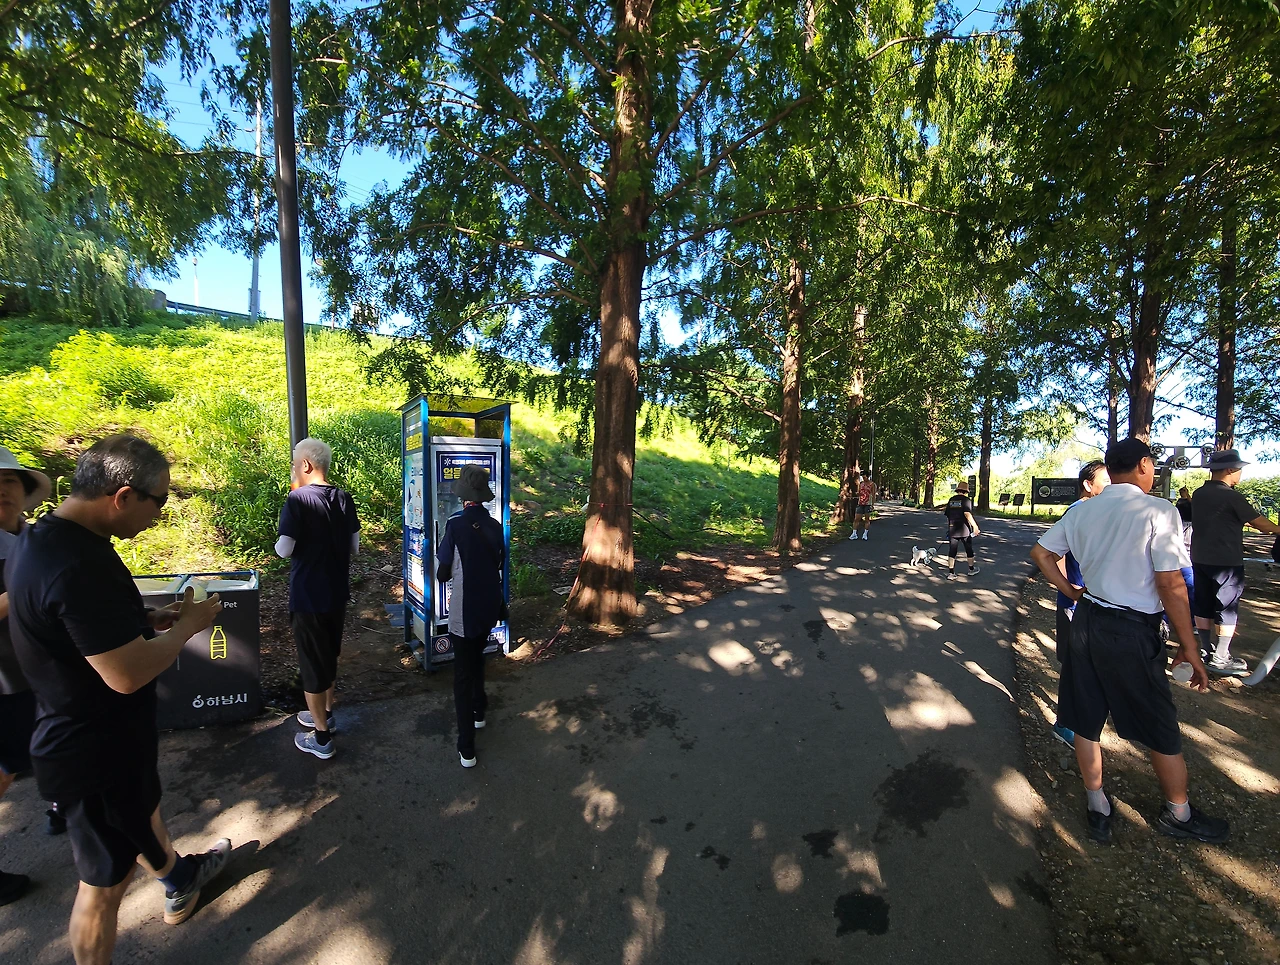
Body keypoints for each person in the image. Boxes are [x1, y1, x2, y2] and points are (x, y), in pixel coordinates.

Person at [5, 435, 232, 965]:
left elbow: (73, 625)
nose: (160, 515)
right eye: (160, 501)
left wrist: (146, 620)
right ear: (124, 496)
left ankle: (180, 877)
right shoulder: (76, 564)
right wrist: (188, 627)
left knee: (140, 821)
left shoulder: (45, 540)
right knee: (103, 887)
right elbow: (125, 675)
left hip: (102, 745)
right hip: (91, 752)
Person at [1030, 438, 1226, 846]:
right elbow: (1170, 583)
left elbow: (1041, 553)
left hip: (1087, 620)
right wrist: (1189, 644)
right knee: (1157, 721)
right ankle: (1178, 813)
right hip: (1132, 630)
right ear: (1143, 465)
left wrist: (1072, 591)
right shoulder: (1159, 510)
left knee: (1085, 716)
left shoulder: (1083, 510)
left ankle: (1097, 806)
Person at [275, 438, 360, 760]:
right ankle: (325, 714)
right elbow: (354, 546)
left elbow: (284, 549)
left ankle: (322, 739)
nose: (293, 468)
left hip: (308, 596)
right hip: (337, 593)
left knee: (312, 663)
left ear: (306, 465)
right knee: (329, 656)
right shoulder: (344, 497)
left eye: (294, 463)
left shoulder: (297, 499)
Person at [0, 445, 53, 905]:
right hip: (4, 679)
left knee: (50, 743)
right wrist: (25, 589)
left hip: (38, 667)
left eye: (9, 481)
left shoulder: (28, 536)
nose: (2, 491)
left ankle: (63, 805)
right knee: (4, 767)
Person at [436, 464, 505, 769]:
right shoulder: (494, 526)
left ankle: (466, 747)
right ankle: (479, 710)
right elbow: (499, 562)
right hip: (489, 605)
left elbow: (442, 572)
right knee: (478, 656)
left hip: (464, 611)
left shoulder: (455, 525)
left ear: (463, 496)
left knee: (462, 675)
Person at [1190, 449, 1280, 676]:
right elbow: (1260, 523)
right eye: (1239, 470)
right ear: (1231, 470)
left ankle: (1206, 650)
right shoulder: (1230, 496)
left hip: (1200, 558)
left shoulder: (1199, 493)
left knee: (1203, 603)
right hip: (1226, 560)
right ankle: (1221, 656)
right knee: (1226, 606)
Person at [1049, 460, 1110, 748]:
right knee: (1075, 665)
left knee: (1086, 665)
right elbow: (1051, 554)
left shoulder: (1098, 512)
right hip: (1075, 605)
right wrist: (1069, 589)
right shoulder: (1077, 512)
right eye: (1106, 482)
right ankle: (1065, 724)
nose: (1111, 487)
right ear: (1088, 484)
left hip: (1093, 605)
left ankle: (1076, 720)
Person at [942, 481, 981, 580]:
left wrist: (950, 526)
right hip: (964, 530)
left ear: (958, 490)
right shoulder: (966, 500)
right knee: (968, 549)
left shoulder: (951, 500)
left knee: (952, 550)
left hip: (952, 529)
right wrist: (975, 527)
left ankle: (951, 573)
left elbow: (948, 514)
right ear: (966, 491)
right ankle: (971, 569)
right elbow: (967, 514)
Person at [850, 473, 876, 540]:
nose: (864, 479)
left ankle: (865, 534)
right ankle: (854, 534)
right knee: (856, 519)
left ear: (868, 477)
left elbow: (873, 495)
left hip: (868, 503)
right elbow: (859, 492)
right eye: (863, 477)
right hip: (860, 503)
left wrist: (872, 505)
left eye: (865, 477)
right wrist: (857, 494)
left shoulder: (872, 484)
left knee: (867, 519)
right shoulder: (861, 484)